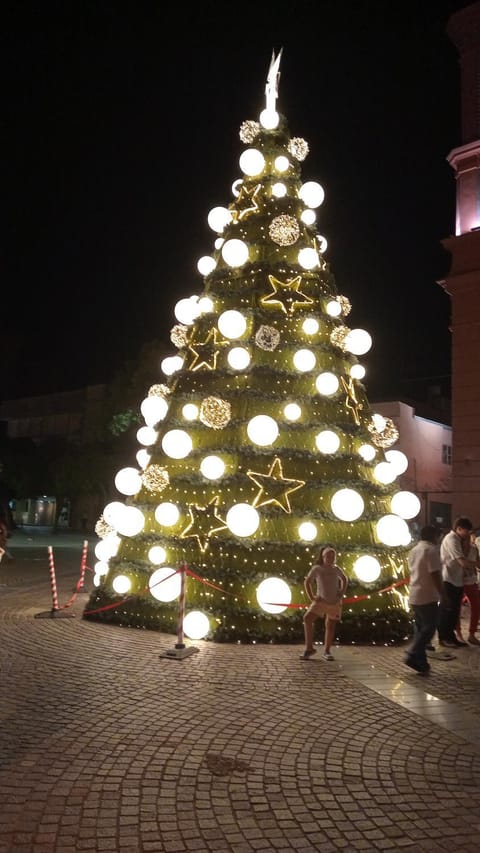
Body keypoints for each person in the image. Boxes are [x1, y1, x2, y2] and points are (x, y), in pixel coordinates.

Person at [404, 525, 443, 674]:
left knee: (420, 628)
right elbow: (434, 573)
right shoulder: (430, 550)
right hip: (427, 595)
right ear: (434, 536)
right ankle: (413, 653)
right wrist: (442, 593)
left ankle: (421, 662)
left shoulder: (414, 550)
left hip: (415, 592)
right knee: (429, 628)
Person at [438, 516, 479, 648]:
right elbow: (462, 561)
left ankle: (452, 637)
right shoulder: (451, 539)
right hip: (449, 579)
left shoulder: (458, 539)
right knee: (448, 610)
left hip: (457, 579)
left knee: (454, 611)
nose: (468, 534)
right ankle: (445, 638)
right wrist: (477, 564)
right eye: (466, 531)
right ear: (459, 529)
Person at [301, 545, 348, 661]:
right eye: (328, 556)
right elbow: (307, 582)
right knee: (307, 619)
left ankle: (327, 651)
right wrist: (312, 597)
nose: (331, 558)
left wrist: (341, 592)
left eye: (333, 556)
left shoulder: (336, 569)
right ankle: (309, 648)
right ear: (323, 557)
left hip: (334, 602)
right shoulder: (317, 569)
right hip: (321, 601)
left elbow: (344, 579)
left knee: (330, 625)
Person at [456, 530, 480, 646]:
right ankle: (458, 633)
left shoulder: (474, 548)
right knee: (457, 608)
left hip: (471, 581)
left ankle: (472, 634)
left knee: (476, 606)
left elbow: (477, 563)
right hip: (458, 581)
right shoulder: (457, 547)